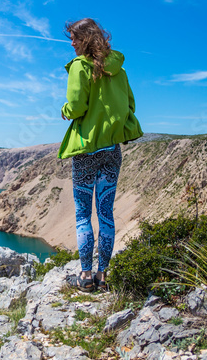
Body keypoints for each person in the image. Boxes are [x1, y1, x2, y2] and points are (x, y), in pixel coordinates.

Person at [58, 18, 143, 292]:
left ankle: (85, 275)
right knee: (106, 213)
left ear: (86, 39)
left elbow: (77, 105)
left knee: (83, 214)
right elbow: (129, 104)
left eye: (74, 38)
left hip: (86, 152)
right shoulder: (119, 70)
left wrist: (65, 111)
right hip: (111, 152)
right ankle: (102, 276)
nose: (71, 43)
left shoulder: (80, 68)